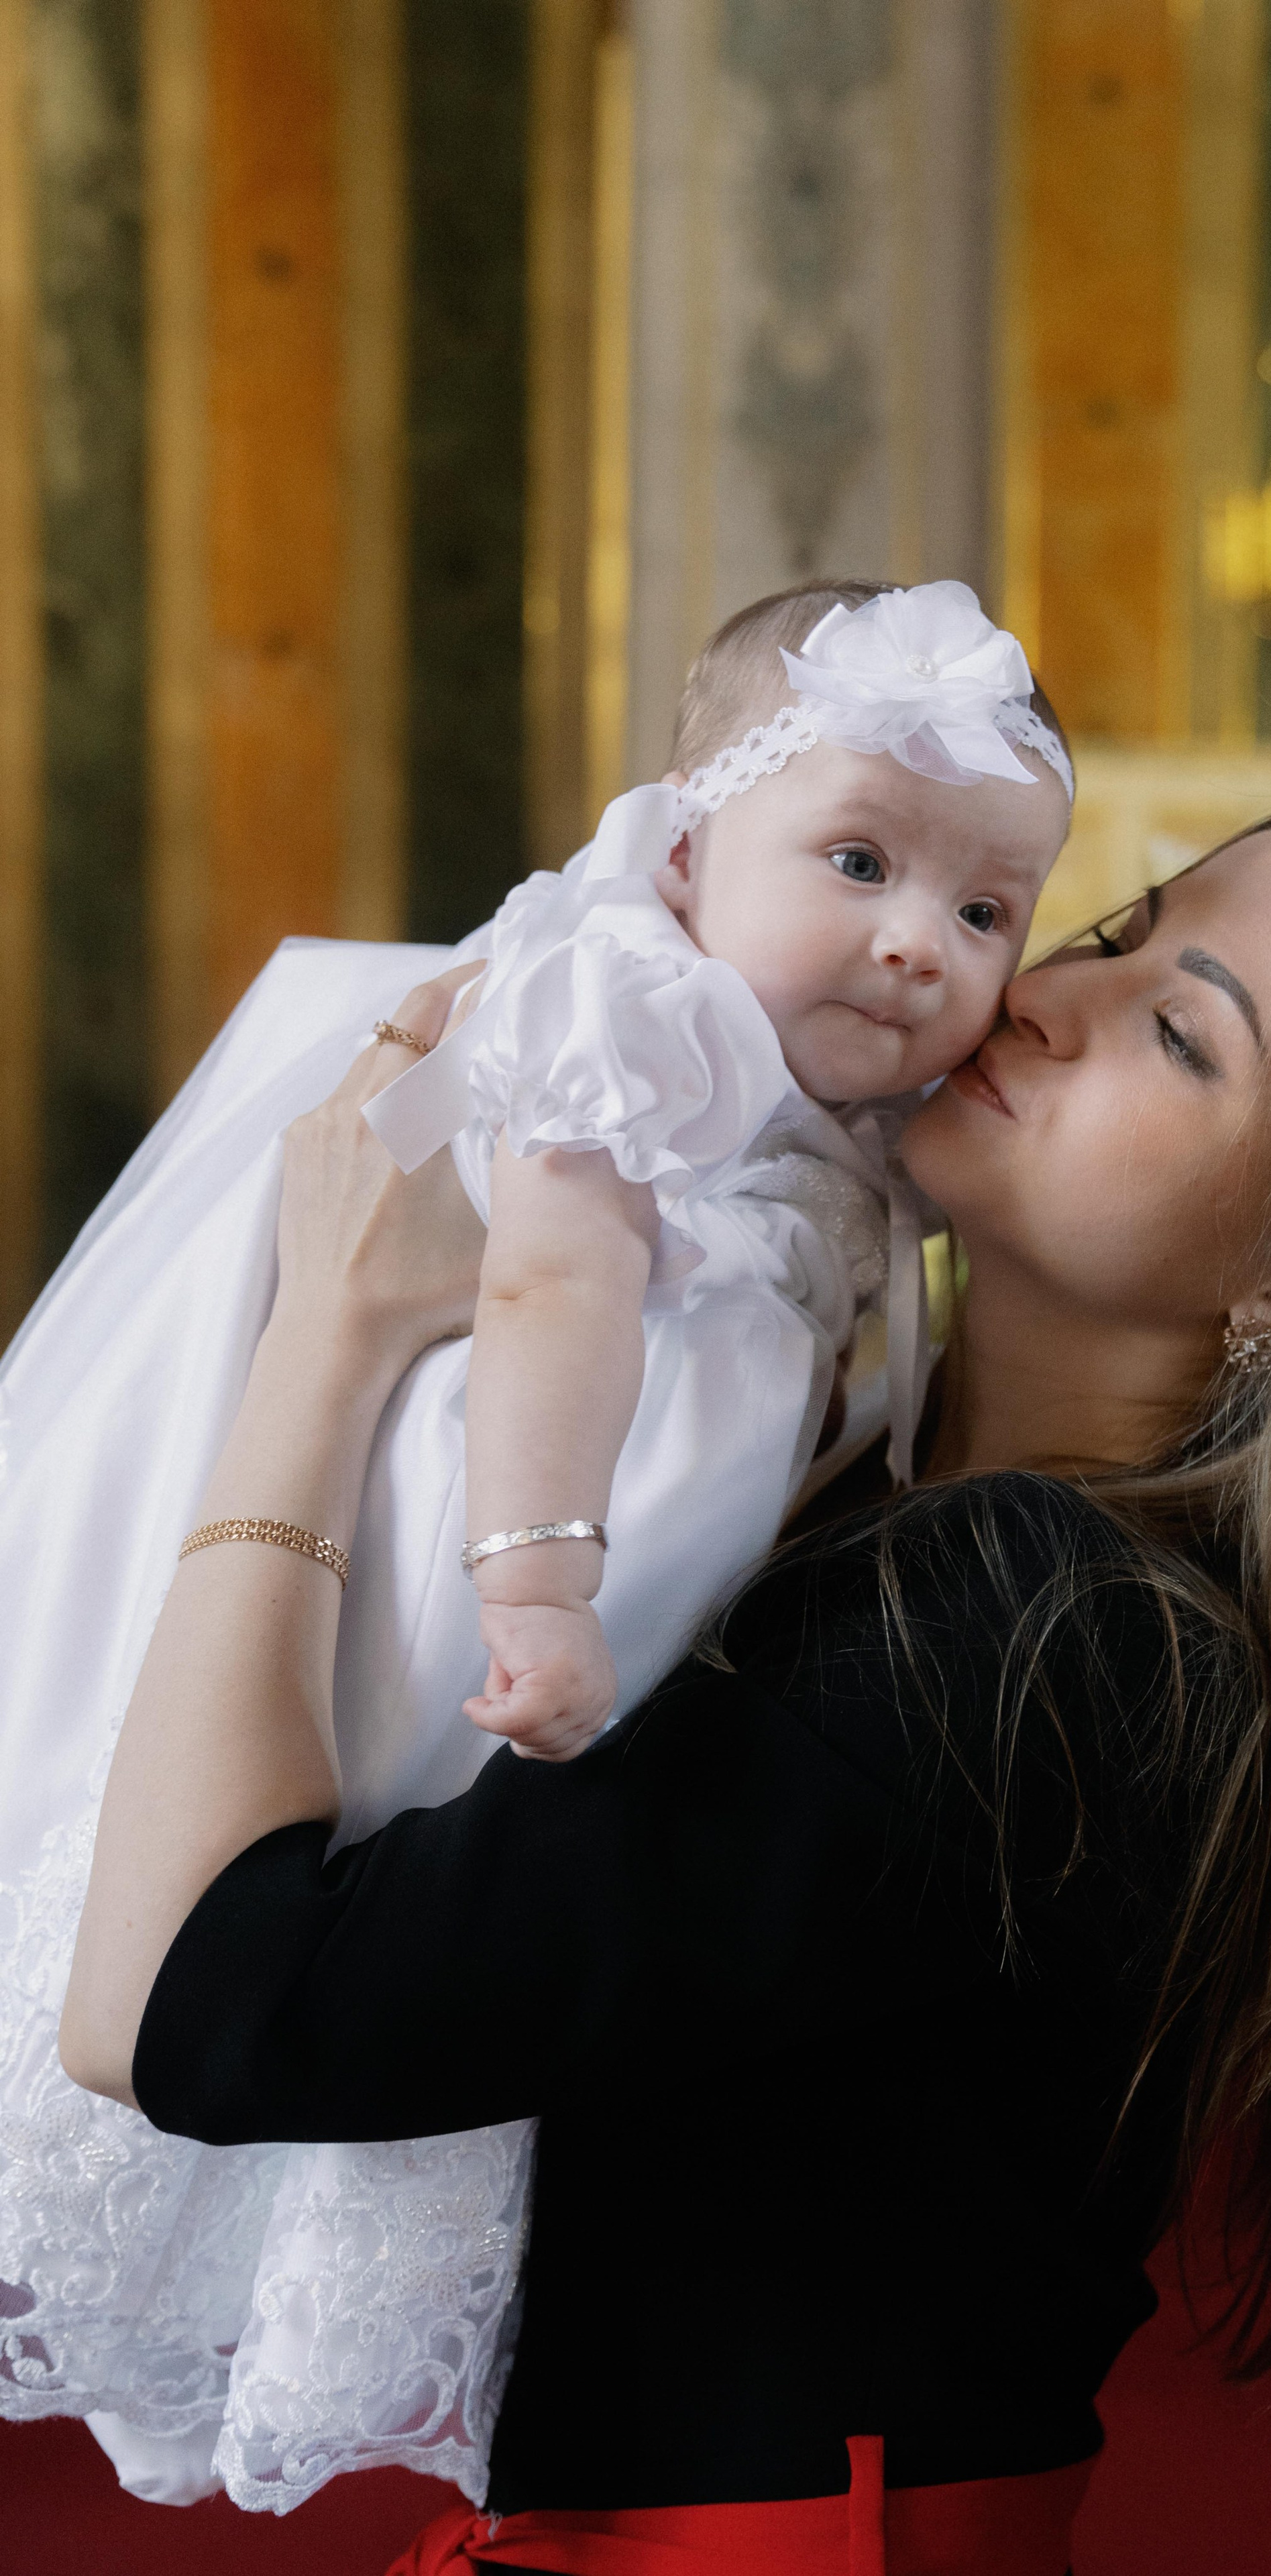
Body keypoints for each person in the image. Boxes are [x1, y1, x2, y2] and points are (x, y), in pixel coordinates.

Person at [60, 808, 1271, 2575]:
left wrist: (335, 1333)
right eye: (1121, 927)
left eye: (1182, 1031)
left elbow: (188, 2009)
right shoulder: (919, 1498)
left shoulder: (1044, 1639)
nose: (1052, 996)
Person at [0, 578, 1071, 2508]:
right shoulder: (628, 1018)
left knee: (441, 1926)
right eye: (858, 861)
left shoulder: (826, 1070)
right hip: (515, 1487)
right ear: (682, 847)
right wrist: (542, 1583)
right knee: (385, 1790)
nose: (923, 945)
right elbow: (551, 1301)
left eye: (986, 914)